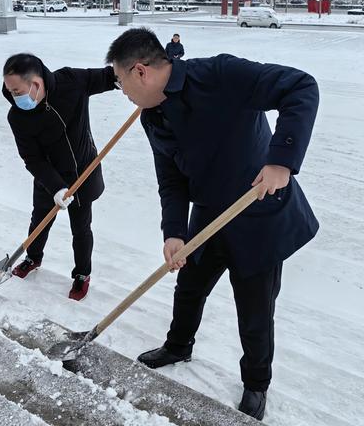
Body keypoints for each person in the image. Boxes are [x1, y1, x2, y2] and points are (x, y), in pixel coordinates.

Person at [106, 28, 319, 420]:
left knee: (254, 312)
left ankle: (256, 384)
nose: (122, 92)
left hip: (257, 213)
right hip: (206, 215)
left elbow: (300, 88)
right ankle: (178, 346)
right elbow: (170, 178)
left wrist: (281, 161)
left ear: (140, 72)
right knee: (188, 289)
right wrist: (173, 231)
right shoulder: (151, 116)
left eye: (121, 81)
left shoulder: (220, 76)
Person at [2, 53, 116, 301]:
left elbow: (110, 77)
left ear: (36, 83)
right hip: (49, 177)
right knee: (39, 222)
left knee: (81, 229)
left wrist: (136, 82)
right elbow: (32, 159)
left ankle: (82, 274)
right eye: (11, 91)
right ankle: (33, 257)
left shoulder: (71, 81)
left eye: (17, 90)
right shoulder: (17, 116)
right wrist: (55, 187)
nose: (14, 96)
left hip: (83, 172)